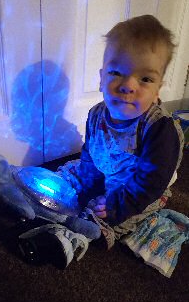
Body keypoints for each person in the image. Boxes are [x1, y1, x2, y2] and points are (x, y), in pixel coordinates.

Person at [27, 15, 185, 269]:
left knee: (108, 218)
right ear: (101, 77)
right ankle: (29, 197)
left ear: (158, 89)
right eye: (116, 72)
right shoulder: (96, 114)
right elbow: (90, 153)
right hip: (105, 171)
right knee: (68, 176)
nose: (127, 86)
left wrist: (117, 205)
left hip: (138, 189)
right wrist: (84, 183)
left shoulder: (159, 130)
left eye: (145, 79)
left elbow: (151, 182)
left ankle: (73, 237)